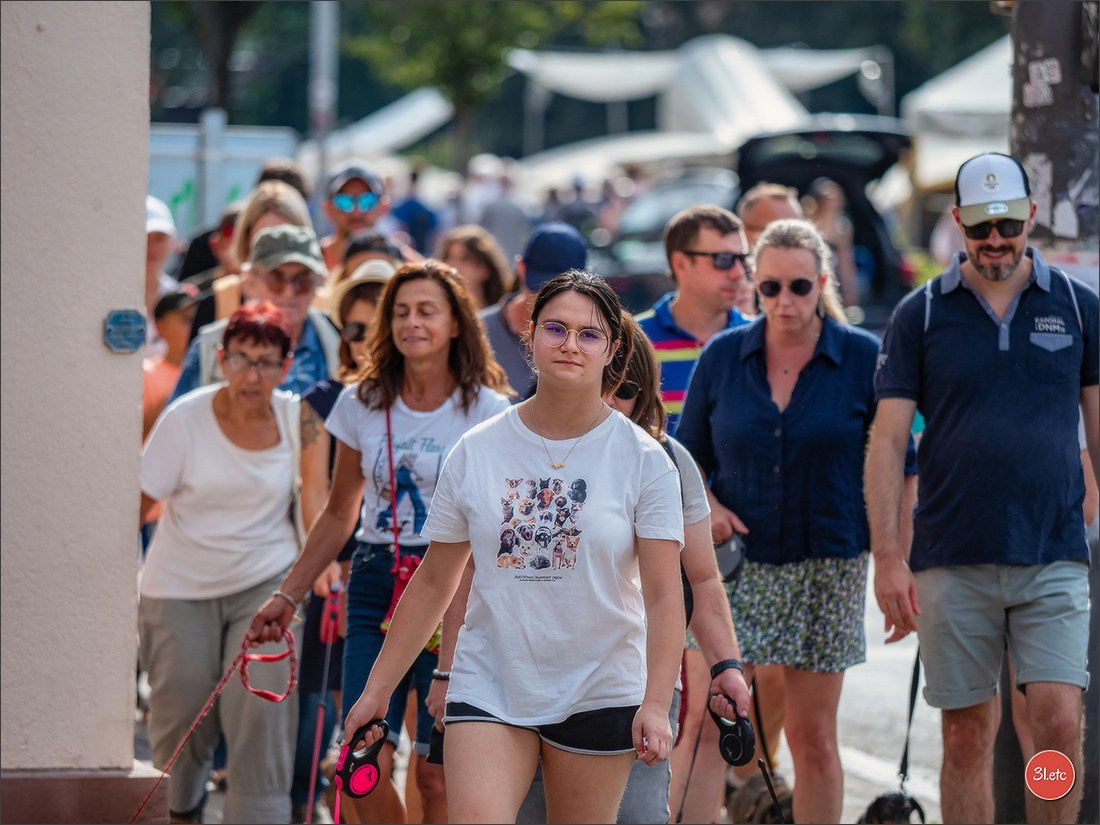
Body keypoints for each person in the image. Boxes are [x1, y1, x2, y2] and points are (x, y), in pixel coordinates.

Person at [295, 269, 687, 824]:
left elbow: (666, 596)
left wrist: (654, 703)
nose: (570, 345)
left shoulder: (644, 460)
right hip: (492, 682)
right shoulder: (478, 449)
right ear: (529, 335)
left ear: (613, 348)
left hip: (600, 685)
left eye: (590, 334)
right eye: (556, 328)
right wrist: (376, 692)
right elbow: (435, 579)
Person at [865, 152, 1099, 825]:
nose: (994, 239)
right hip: (951, 558)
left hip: (1053, 551)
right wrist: (888, 555)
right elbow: (886, 441)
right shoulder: (921, 316)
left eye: (1006, 223)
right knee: (967, 733)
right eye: (979, 226)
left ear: (1029, 216)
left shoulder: (1079, 310)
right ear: (958, 224)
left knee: (1056, 723)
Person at [248, 260, 512, 823]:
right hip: (374, 580)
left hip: (459, 588)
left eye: (426, 311)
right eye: (400, 312)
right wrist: (288, 595)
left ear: (457, 324)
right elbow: (340, 511)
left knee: (436, 777)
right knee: (360, 764)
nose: (411, 323)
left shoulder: (489, 410)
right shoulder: (361, 401)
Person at [677, 219, 916, 824]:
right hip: (731, 569)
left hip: (826, 565)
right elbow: (682, 462)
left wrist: (899, 560)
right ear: (754, 287)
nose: (785, 301)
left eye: (800, 287)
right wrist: (708, 507)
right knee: (709, 728)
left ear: (824, 283)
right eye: (771, 287)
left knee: (812, 739)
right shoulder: (724, 356)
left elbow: (903, 465)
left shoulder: (864, 356)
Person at [511, 314, 751, 824]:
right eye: (605, 383)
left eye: (627, 388)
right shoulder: (517, 449)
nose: (612, 399)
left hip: (636, 686)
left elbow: (703, 580)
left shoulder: (665, 459)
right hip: (526, 680)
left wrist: (726, 666)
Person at [139, 302, 323, 824]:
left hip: (265, 583)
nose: (252, 374)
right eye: (241, 359)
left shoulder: (299, 418)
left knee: (260, 710)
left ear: (286, 366)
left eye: (267, 362)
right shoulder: (186, 417)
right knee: (183, 715)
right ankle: (179, 810)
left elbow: (316, 504)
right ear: (221, 359)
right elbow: (139, 504)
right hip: (178, 585)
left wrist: (314, 576)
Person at [291, 260, 396, 824]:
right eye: (351, 329)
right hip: (341, 566)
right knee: (340, 716)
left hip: (409, 570)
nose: (362, 340)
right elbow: (316, 491)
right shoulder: (322, 398)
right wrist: (326, 563)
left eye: (373, 326)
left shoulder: (418, 399)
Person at [171, 224, 340, 402]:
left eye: (302, 281)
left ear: (318, 283)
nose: (289, 292)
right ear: (251, 280)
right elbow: (180, 419)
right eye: (276, 279)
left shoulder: (343, 339)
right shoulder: (209, 345)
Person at [635, 205, 751, 433]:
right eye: (724, 259)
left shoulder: (761, 339)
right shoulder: (632, 341)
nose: (739, 272)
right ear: (681, 264)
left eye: (743, 259)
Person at [187, 180, 313, 341]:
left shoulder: (325, 311)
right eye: (264, 238)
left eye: (286, 237)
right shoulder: (217, 302)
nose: (276, 250)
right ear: (245, 241)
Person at [479, 221, 588, 402]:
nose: (550, 298)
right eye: (540, 287)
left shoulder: (596, 341)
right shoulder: (477, 331)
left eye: (563, 290)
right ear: (521, 268)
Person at [320, 160, 390, 272]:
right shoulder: (311, 265)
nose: (356, 212)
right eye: (344, 202)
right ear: (328, 209)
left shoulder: (403, 266)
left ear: (384, 207)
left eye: (367, 201)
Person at [436, 224, 516, 310]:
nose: (453, 265)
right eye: (448, 257)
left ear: (486, 268)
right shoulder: (438, 312)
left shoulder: (505, 315)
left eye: (464, 258)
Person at [145, 195, 181, 358]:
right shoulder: (115, 295)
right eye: (145, 237)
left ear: (172, 242)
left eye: (159, 238)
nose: (151, 246)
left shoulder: (178, 296)